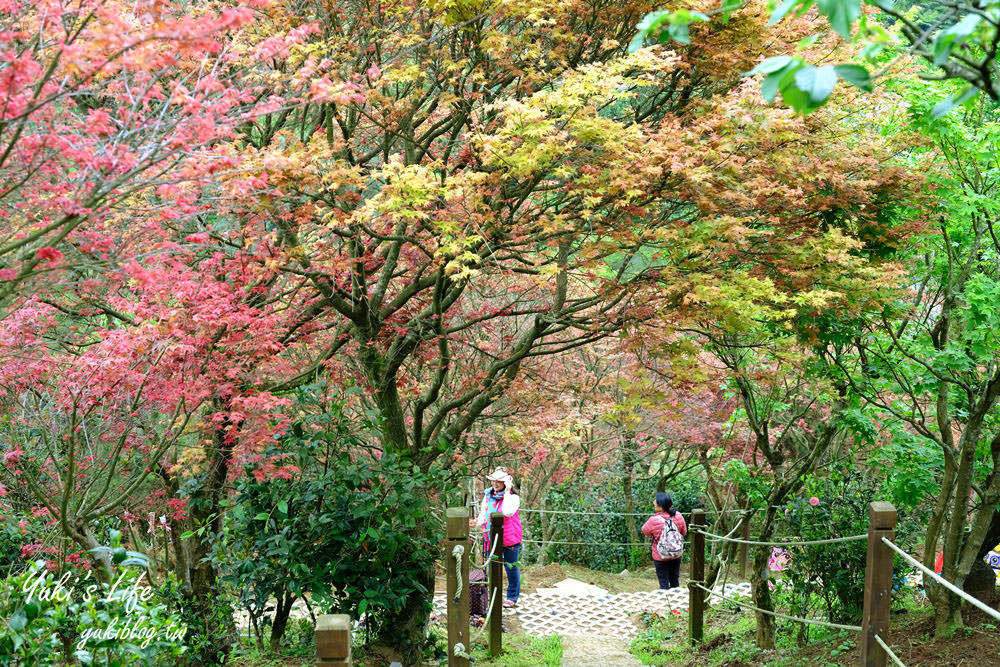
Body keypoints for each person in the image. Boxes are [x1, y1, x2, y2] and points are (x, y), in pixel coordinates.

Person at [473, 466, 523, 607]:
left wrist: (507, 491)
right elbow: (484, 514)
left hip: (510, 539)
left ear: (505, 483)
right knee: (493, 567)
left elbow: (507, 512)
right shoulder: (488, 495)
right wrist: (476, 523)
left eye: (499, 481)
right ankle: (493, 596)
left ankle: (512, 597)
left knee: (511, 567)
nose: (495, 484)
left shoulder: (513, 498)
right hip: (491, 538)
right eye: (493, 481)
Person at [641, 492, 688, 590]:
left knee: (663, 583)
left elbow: (645, 531)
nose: (654, 502)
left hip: (660, 556)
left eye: (656, 501)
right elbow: (684, 532)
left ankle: (666, 602)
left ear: (660, 506)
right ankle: (676, 602)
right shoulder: (678, 516)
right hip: (676, 554)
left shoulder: (654, 520)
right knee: (675, 581)